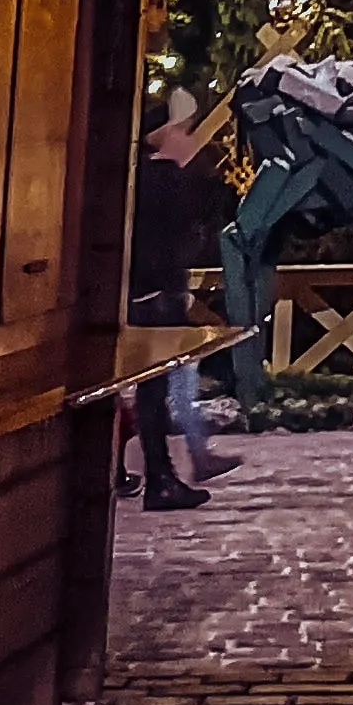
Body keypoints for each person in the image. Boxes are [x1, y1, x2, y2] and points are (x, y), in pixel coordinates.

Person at [126, 89, 229, 513]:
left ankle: (157, 474)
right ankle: (161, 479)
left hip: (148, 294)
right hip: (155, 298)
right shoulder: (165, 180)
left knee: (153, 392)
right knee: (153, 394)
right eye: (182, 129)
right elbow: (208, 204)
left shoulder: (145, 178)